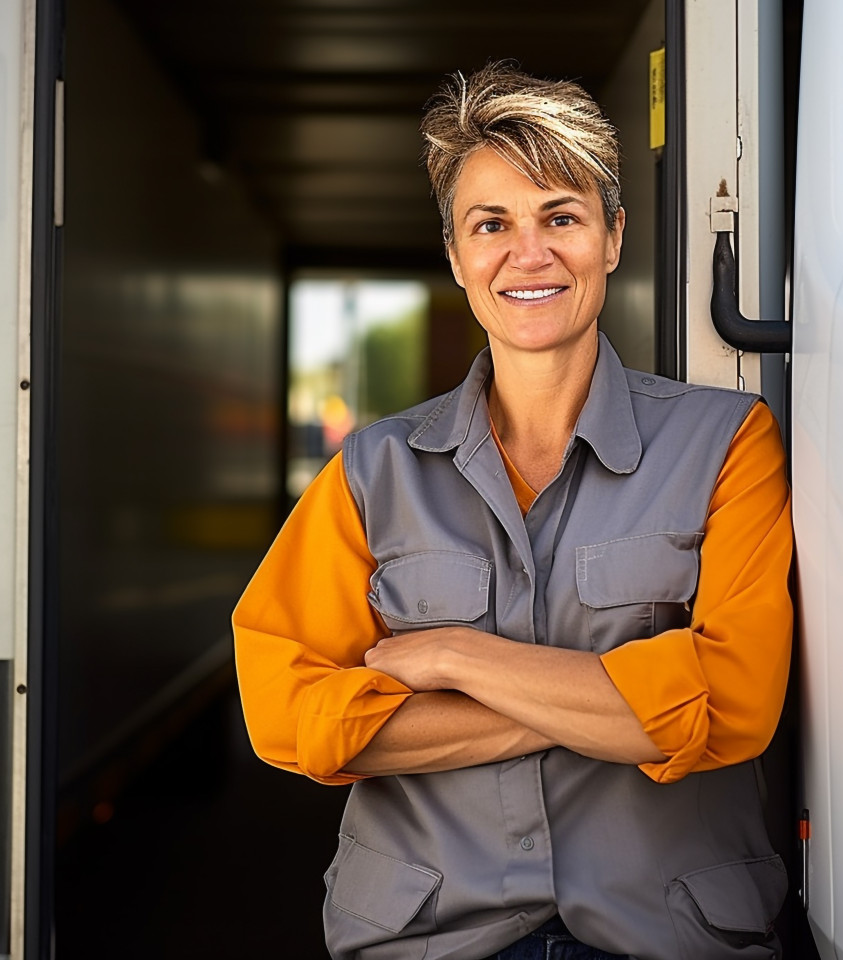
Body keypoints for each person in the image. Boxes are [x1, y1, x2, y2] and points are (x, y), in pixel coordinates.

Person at [233, 62, 793, 960]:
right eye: (491, 224)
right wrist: (616, 701)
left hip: (666, 934)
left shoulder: (728, 446)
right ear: (457, 257)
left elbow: (734, 699)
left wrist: (459, 657)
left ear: (611, 237)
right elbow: (288, 712)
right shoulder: (371, 474)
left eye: (560, 218)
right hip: (428, 940)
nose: (527, 255)